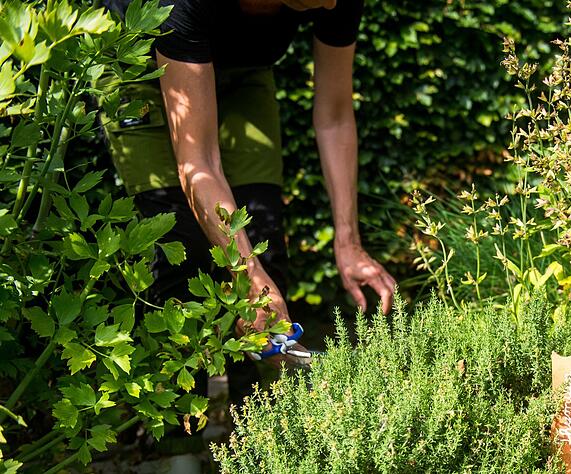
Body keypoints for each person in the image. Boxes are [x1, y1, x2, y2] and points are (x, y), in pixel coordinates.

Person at [101, 0, 396, 469]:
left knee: (263, 247)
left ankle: (257, 443)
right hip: (145, 68)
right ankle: (180, 456)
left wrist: (348, 242)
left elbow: (336, 115)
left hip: (244, 75)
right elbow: (197, 163)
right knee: (179, 260)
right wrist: (246, 271)